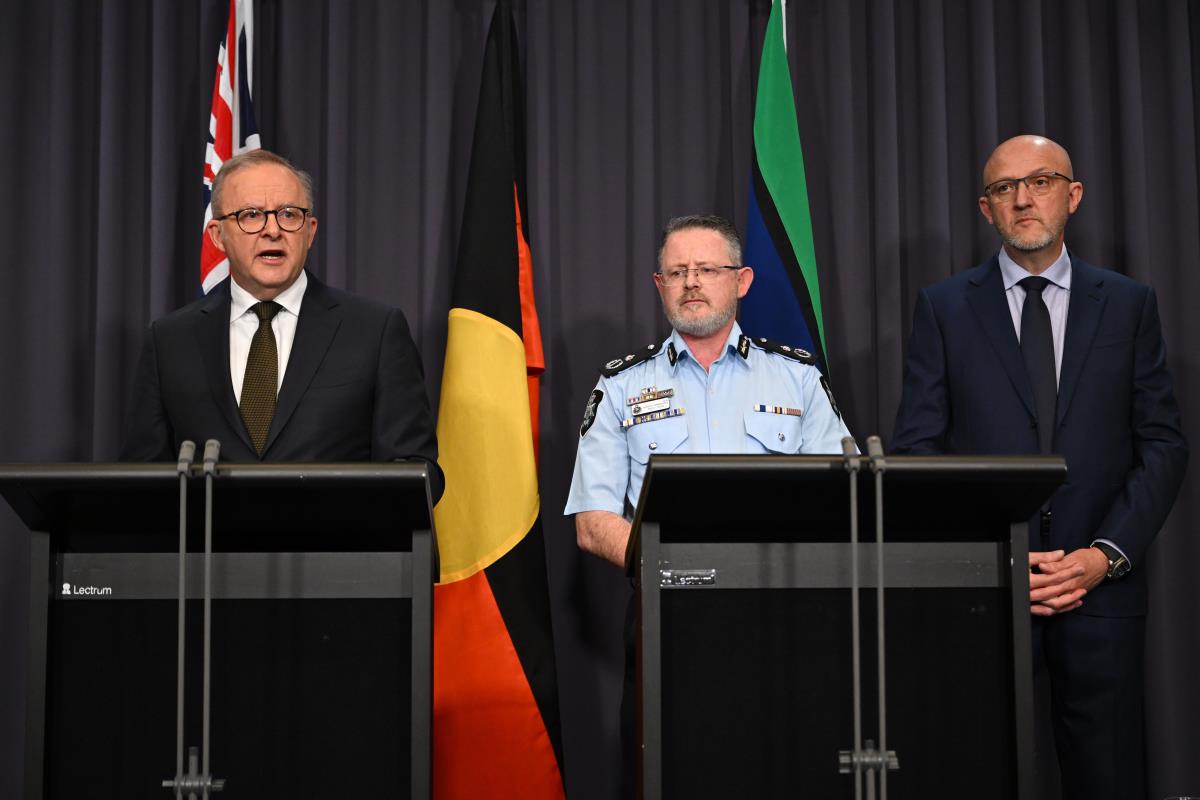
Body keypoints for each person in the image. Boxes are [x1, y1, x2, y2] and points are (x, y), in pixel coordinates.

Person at [892, 135, 1187, 799]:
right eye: (1005, 188)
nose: (1024, 198)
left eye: (1042, 181)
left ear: (1072, 195)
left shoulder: (1130, 304)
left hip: (1100, 593)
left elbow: (1163, 443)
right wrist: (992, 555)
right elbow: (917, 449)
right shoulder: (943, 308)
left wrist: (1103, 555)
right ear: (985, 207)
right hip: (983, 594)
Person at [121, 149, 443, 501]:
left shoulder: (375, 331)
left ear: (310, 231)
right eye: (251, 215)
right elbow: (142, 480)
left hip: (335, 552)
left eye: (289, 215)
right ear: (217, 235)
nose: (272, 230)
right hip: (210, 555)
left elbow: (416, 471)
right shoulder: (170, 341)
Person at [565, 213, 853, 566]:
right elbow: (592, 521)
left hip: (779, 594)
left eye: (707, 270)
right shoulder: (621, 386)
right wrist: (668, 568)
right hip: (664, 600)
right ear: (660, 285)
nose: (691, 283)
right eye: (677, 272)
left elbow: (844, 497)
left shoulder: (798, 378)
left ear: (741, 281)